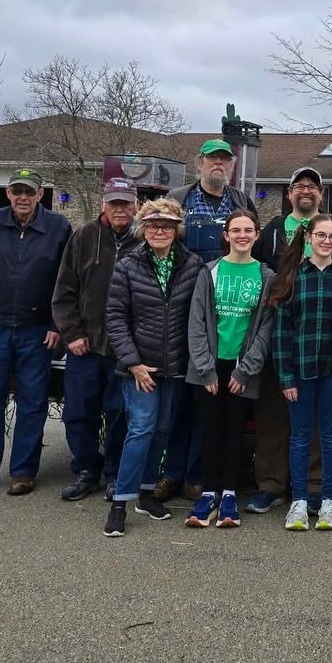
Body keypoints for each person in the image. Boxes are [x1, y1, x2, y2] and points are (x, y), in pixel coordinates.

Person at [0, 168, 72, 497]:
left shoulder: (58, 227)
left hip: (37, 330)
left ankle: (23, 471)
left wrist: (56, 325)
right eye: (16, 191)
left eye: (29, 192)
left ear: (40, 195)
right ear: (8, 193)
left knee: (32, 402)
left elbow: (67, 282)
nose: (23, 197)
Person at [161, 139, 256, 502]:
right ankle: (171, 473)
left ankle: (198, 476)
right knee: (180, 401)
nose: (219, 165)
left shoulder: (240, 202)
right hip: (184, 304)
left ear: (231, 166)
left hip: (226, 311)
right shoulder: (180, 197)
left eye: (225, 160)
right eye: (212, 159)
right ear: (199, 163)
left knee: (207, 400)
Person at [103, 198, 204, 537]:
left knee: (162, 429)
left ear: (177, 230)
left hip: (175, 367)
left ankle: (146, 493)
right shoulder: (128, 265)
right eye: (153, 225)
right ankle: (120, 501)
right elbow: (116, 318)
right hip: (140, 367)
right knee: (141, 428)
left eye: (167, 225)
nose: (159, 231)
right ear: (143, 229)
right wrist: (133, 363)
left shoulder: (193, 265)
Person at [247, 165, 332, 515]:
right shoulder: (270, 231)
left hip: (320, 335)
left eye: (312, 186)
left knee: (314, 417)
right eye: (298, 185)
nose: (305, 190)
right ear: (289, 195)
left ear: (320, 194)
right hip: (278, 333)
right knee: (272, 415)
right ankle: (271, 485)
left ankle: (313, 485)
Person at [267, 214, 332, 531]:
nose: (326, 241)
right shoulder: (292, 277)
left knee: (331, 437)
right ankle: (298, 500)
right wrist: (285, 377)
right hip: (299, 371)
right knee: (299, 437)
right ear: (309, 237)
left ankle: (329, 500)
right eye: (320, 235)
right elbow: (281, 332)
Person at [184, 209, 276, 528]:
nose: (242, 235)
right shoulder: (208, 272)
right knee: (209, 429)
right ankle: (208, 493)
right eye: (235, 230)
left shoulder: (266, 277)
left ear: (256, 235)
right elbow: (196, 323)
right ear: (226, 235)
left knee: (234, 432)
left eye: (248, 230)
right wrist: (206, 369)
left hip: (242, 369)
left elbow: (265, 328)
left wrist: (245, 370)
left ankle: (229, 496)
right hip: (208, 367)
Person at [51, 177, 141, 502]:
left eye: (126, 203)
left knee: (120, 413)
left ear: (136, 205)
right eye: (114, 203)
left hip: (124, 350)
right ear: (104, 204)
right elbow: (63, 292)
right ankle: (86, 470)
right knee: (78, 412)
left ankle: (115, 473)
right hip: (84, 346)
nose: (120, 209)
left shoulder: (145, 241)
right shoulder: (83, 237)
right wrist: (72, 334)